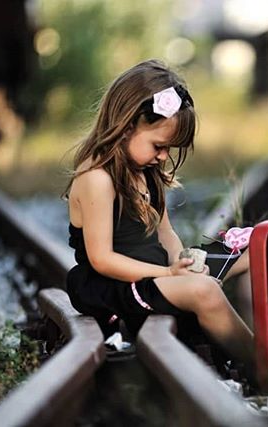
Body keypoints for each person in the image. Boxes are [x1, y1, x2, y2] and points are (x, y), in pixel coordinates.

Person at [64, 59, 253, 369]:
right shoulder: (96, 178)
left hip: (157, 277)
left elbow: (165, 233)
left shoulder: (145, 172)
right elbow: (102, 259)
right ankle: (263, 366)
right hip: (117, 287)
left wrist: (183, 262)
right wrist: (169, 274)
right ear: (125, 128)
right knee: (203, 290)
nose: (163, 156)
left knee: (257, 247)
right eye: (159, 146)